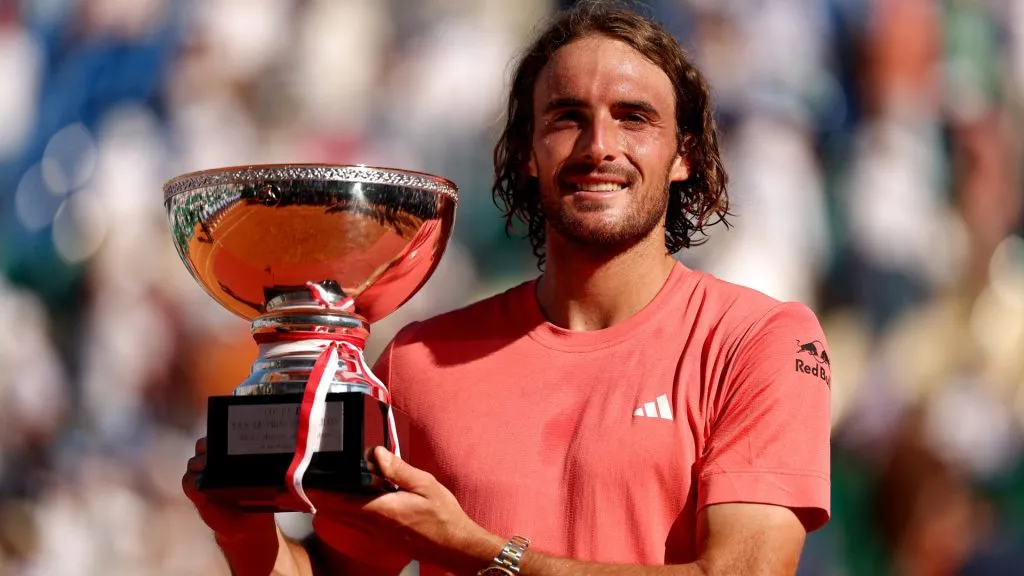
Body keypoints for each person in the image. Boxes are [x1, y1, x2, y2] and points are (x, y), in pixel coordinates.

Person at [183, 2, 832, 575]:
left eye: (633, 117)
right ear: (527, 151)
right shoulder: (420, 364)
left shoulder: (761, 340)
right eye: (567, 117)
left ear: (684, 154)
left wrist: (481, 553)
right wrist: (242, 534)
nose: (599, 145)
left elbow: (744, 572)